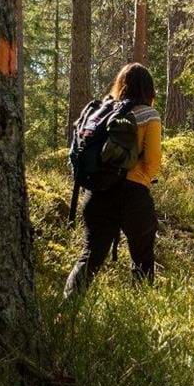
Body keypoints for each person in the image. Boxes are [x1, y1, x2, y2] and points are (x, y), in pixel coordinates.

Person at [63, 62, 164, 297]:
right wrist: (140, 179)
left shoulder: (103, 113)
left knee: (90, 256)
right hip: (133, 196)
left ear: (120, 85)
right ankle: (141, 313)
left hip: (97, 193)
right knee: (142, 257)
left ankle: (65, 312)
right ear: (148, 89)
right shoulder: (149, 115)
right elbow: (152, 160)